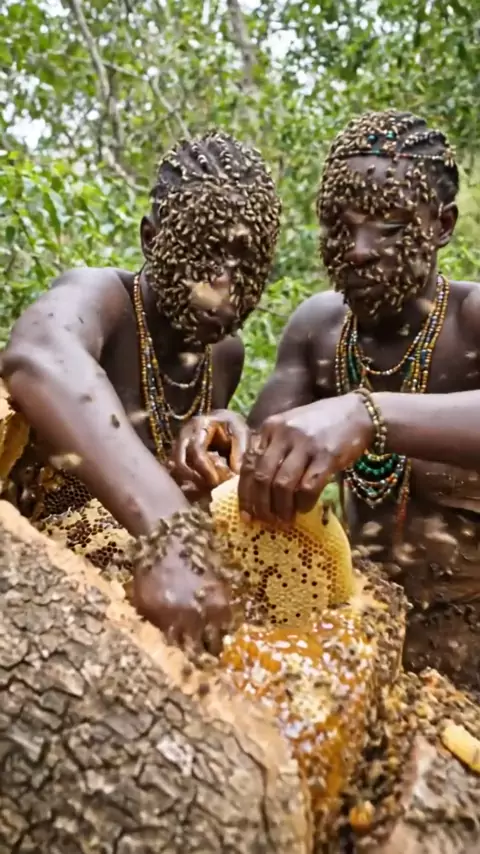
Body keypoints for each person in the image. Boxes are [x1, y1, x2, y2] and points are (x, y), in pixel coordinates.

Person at [176, 110, 480, 697]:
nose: (358, 251)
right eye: (340, 227)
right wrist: (227, 436)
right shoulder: (321, 330)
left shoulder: (470, 323)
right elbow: (264, 449)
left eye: (388, 228)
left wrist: (367, 414)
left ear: (442, 225)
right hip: (363, 644)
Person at [0, 130, 281, 654]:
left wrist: (217, 452)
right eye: (204, 255)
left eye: (246, 266)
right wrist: (172, 533)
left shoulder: (225, 355)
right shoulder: (102, 298)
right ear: (151, 239)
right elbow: (39, 352)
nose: (224, 287)